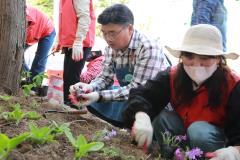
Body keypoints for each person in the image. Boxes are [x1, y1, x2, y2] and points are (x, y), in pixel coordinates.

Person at [123, 24, 240, 159]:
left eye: (205, 57)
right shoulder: (173, 75)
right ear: (182, 57)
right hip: (183, 133)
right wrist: (141, 115)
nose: (196, 64)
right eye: (189, 56)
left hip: (217, 146)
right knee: (161, 117)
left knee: (198, 130)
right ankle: (173, 155)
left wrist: (235, 151)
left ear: (218, 59)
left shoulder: (233, 85)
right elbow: (143, 94)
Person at [69, 4, 170, 128]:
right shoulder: (111, 49)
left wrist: (99, 96)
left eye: (112, 33)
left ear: (130, 28)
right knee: (92, 98)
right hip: (130, 97)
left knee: (100, 98)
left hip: (152, 101)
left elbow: (138, 90)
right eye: (104, 33)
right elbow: (105, 78)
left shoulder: (148, 47)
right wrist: (89, 87)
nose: (108, 39)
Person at [52, 0, 96, 108]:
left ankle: (75, 106)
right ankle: (67, 103)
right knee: (67, 75)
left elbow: (85, 18)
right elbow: (65, 23)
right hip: (70, 42)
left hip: (81, 44)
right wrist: (58, 41)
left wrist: (78, 41)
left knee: (72, 76)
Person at [24, 5, 56, 81]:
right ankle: (29, 79)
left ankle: (34, 87)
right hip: (34, 31)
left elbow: (29, 33)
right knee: (16, 56)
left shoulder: (26, 16)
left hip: (48, 31)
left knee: (40, 59)